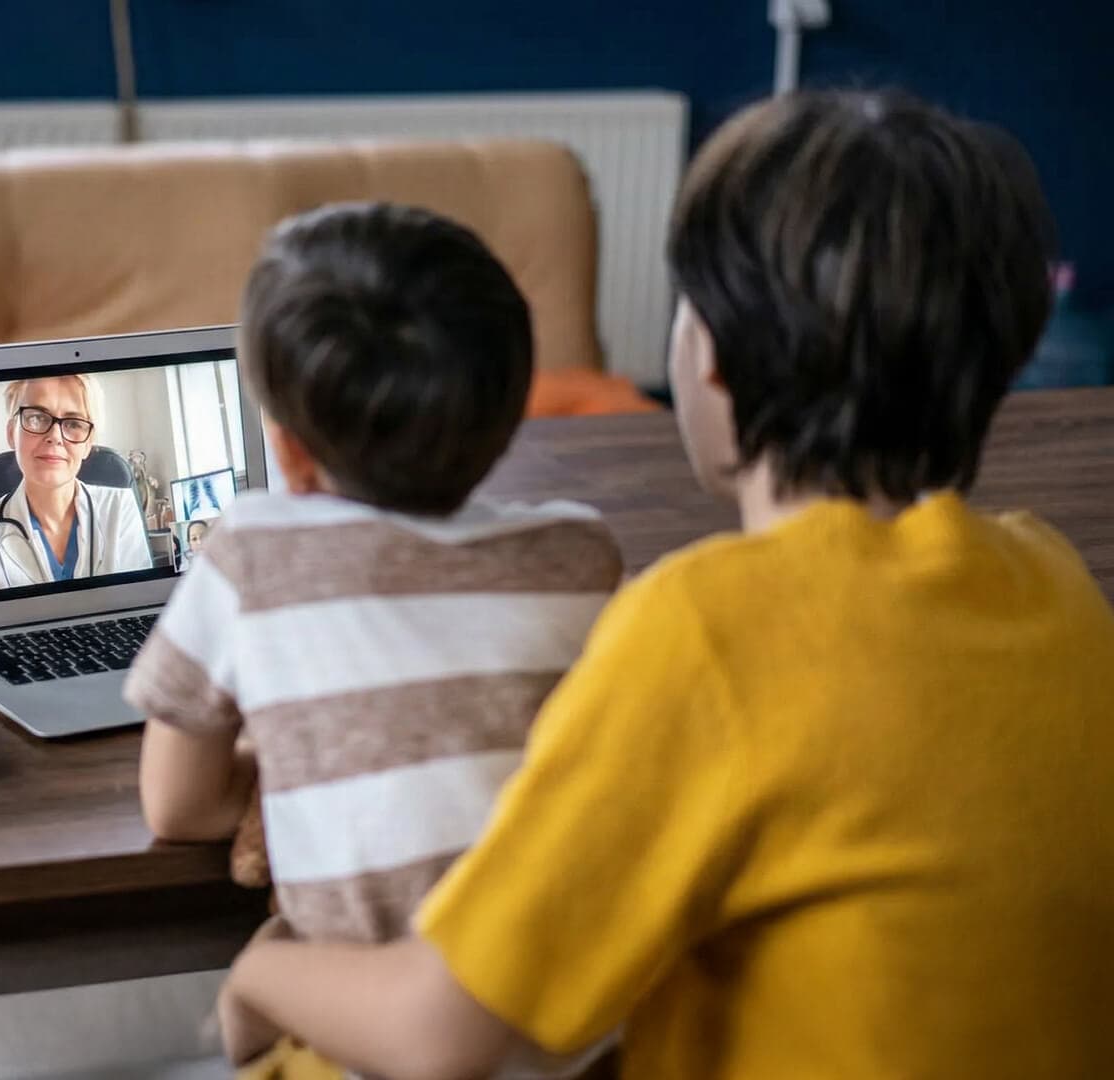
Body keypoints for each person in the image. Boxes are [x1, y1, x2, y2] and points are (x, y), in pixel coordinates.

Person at [215, 90, 1114, 1080]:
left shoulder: (704, 627)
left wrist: (265, 973)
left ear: (712, 361)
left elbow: (438, 1037)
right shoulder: (1056, 582)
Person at [124, 202, 625, 1078]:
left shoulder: (251, 554)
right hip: (584, 1044)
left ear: (289, 451)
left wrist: (290, 746)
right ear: (511, 420)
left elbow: (178, 808)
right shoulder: (582, 556)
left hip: (376, 1043)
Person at [0, 374, 152, 596]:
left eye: (73, 423)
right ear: (12, 433)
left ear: (88, 443)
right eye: (36, 418)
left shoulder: (120, 509)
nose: (55, 436)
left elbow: (139, 606)